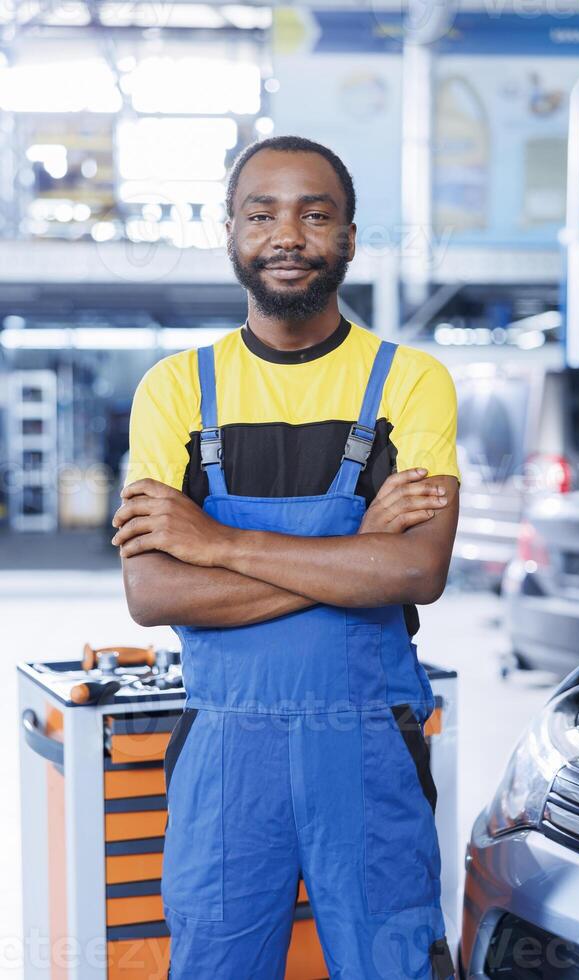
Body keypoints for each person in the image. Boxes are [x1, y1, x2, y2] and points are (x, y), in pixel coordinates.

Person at [112, 135, 460, 980]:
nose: (288, 235)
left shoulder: (411, 382)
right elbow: (154, 590)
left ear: (347, 238)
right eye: (262, 213)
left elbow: (418, 574)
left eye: (316, 213)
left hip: (371, 749)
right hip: (227, 761)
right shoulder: (176, 390)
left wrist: (218, 545)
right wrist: (354, 556)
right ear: (231, 233)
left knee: (396, 967)